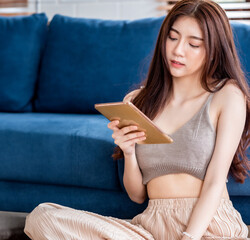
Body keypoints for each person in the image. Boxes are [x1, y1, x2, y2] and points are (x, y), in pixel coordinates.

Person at [23, 0, 250, 239]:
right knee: (43, 217)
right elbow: (138, 195)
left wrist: (189, 237)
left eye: (193, 44)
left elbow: (215, 181)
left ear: (214, 50)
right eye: (172, 38)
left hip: (207, 227)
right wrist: (128, 151)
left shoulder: (227, 95)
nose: (178, 50)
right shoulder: (138, 100)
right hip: (152, 226)